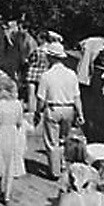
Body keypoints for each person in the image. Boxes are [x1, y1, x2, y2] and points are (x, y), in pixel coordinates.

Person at [35, 42, 82, 180]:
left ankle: (55, 171)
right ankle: (61, 164)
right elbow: (76, 96)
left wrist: (38, 112)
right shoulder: (72, 74)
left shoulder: (46, 75)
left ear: (50, 57)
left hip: (53, 108)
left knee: (52, 142)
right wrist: (80, 113)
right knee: (63, 140)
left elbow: (41, 99)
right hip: (69, 109)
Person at [0, 75, 26, 205]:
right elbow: (20, 122)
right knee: (10, 165)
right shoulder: (17, 105)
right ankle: (7, 195)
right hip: (13, 133)